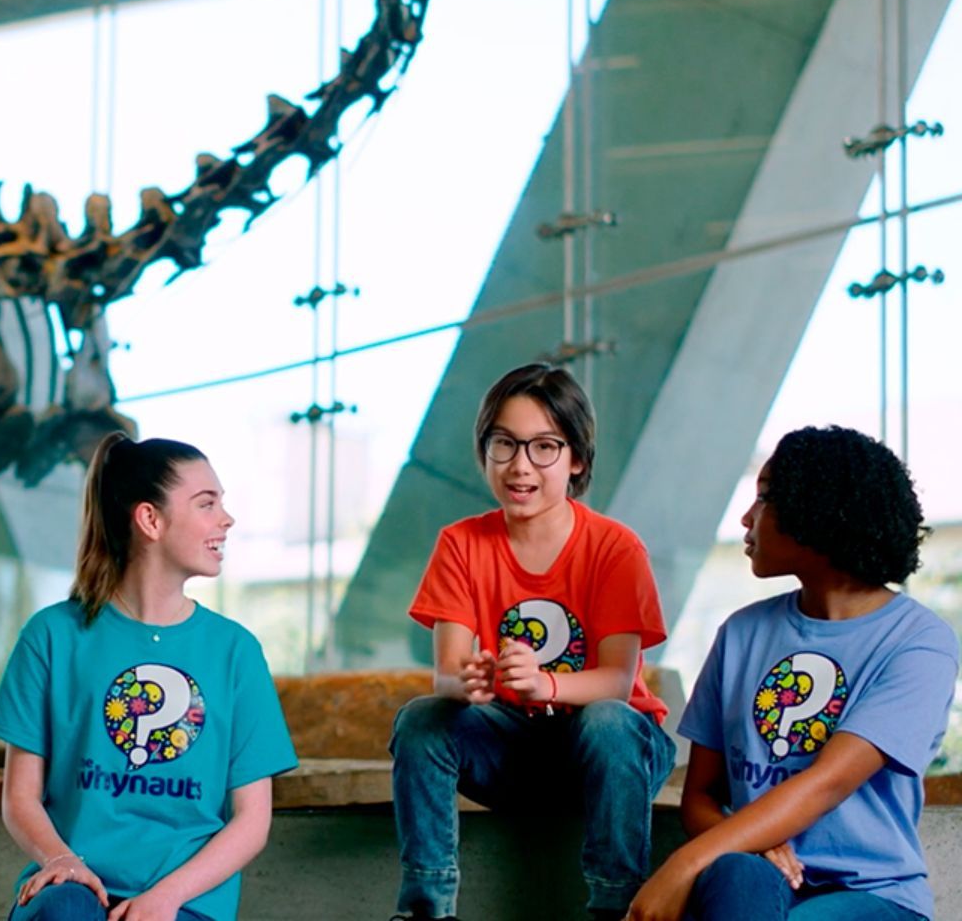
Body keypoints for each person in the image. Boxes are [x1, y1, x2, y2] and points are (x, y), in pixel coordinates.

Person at [626, 426, 958, 921]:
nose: (746, 517)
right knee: (734, 874)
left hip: (875, 896)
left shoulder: (918, 642)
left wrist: (683, 864)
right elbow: (700, 797)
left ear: (816, 509)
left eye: (763, 498)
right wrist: (743, 846)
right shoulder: (741, 634)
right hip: (758, 880)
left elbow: (826, 783)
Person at [388, 363, 676, 921]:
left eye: (544, 446)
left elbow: (617, 681)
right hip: (514, 752)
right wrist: (475, 680)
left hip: (611, 753)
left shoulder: (615, 549)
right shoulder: (461, 543)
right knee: (422, 718)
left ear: (577, 460)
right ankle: (426, 907)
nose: (521, 465)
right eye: (504, 444)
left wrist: (544, 681)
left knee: (607, 721)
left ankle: (617, 907)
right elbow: (447, 675)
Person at [0, 433, 297, 921]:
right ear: (150, 519)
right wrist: (62, 861)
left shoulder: (236, 652)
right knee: (64, 910)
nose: (226, 519)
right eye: (206, 504)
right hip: (72, 890)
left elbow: (252, 821)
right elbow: (19, 796)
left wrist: (165, 898)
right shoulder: (51, 636)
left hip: (187, 903)